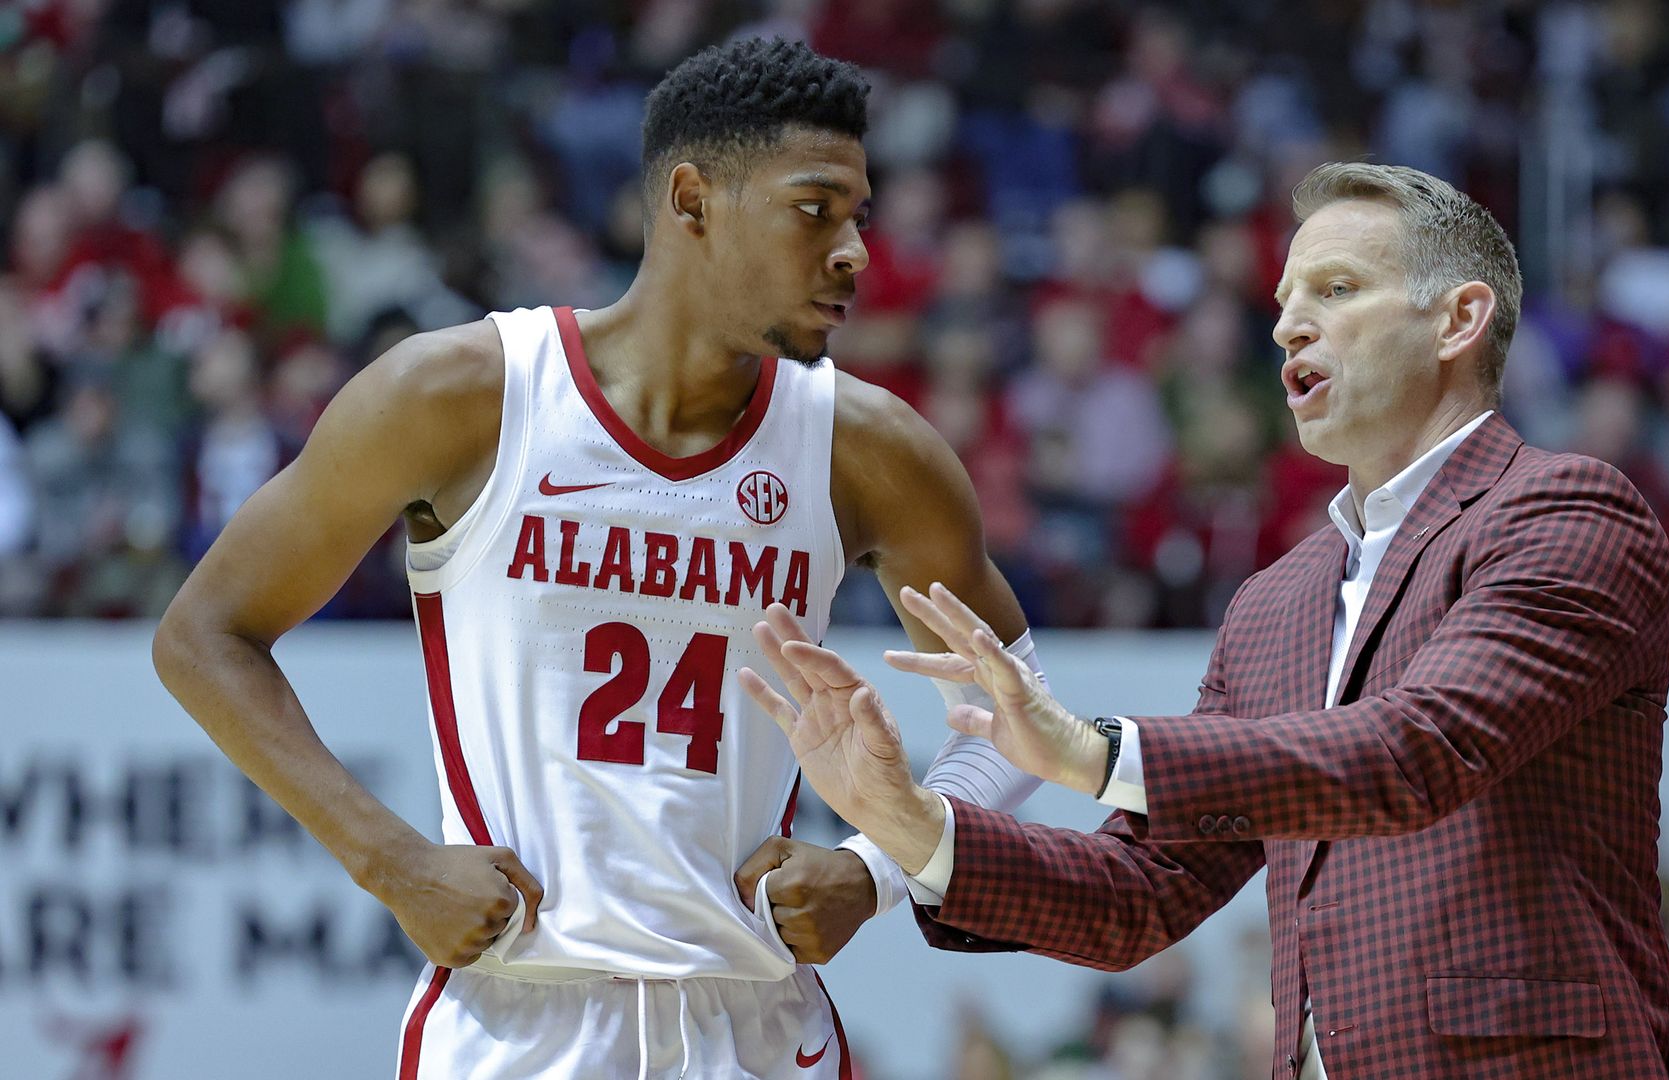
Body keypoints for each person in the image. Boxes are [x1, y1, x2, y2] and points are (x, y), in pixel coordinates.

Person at [152, 37, 1045, 1079]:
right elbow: (203, 637)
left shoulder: (870, 447)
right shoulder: (463, 393)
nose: (853, 252)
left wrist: (879, 868)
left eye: (859, 217)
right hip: (519, 1015)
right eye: (816, 209)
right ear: (691, 198)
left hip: (756, 1022)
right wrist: (392, 864)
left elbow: (1017, 695)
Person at [742, 162, 1669, 1078]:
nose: (1288, 328)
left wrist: (1090, 753)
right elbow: (1141, 896)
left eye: (1336, 288)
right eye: (1283, 302)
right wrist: (910, 825)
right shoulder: (1273, 604)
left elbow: (1415, 753)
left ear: (1457, 319)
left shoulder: (1566, 513)